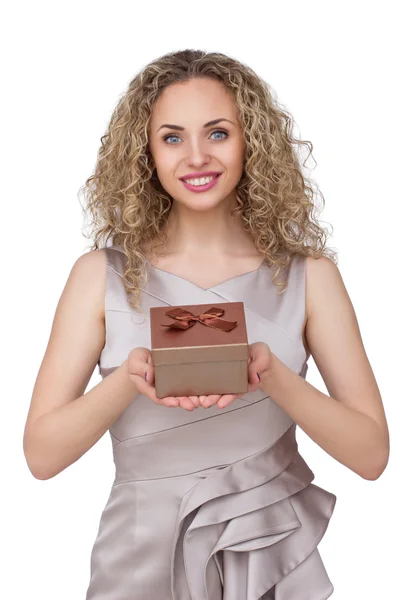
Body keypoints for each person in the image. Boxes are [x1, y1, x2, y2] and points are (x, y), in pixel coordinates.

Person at [23, 49, 390, 600]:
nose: (196, 157)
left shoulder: (310, 278)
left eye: (217, 133)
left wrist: (272, 375)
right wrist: (129, 377)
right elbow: (42, 456)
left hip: (266, 553)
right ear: (146, 153)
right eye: (172, 138)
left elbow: (372, 456)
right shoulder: (100, 276)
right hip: (137, 561)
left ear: (251, 142)